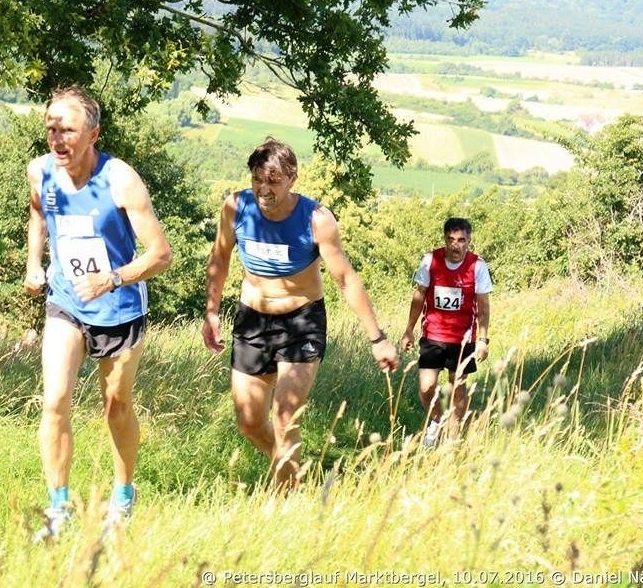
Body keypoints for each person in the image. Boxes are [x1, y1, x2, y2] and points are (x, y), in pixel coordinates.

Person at [201, 137, 399, 489]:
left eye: (273, 180)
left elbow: (345, 278)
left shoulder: (316, 219)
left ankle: (284, 497)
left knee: (284, 415)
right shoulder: (236, 207)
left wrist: (378, 338)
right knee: (248, 422)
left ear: (292, 177)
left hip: (301, 322)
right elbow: (219, 257)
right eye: (257, 179)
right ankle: (292, 473)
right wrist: (212, 311)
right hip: (252, 320)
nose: (264, 188)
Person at [24, 86, 172, 540]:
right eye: (51, 129)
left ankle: (123, 497)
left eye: (67, 130)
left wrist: (112, 279)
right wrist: (34, 262)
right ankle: (59, 510)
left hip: (120, 307)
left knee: (115, 407)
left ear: (93, 134)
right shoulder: (40, 172)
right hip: (66, 302)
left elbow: (161, 254)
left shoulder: (120, 179)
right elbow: (39, 216)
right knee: (54, 402)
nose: (57, 138)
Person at [400, 217, 492, 447]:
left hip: (463, 338)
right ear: (445, 239)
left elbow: (483, 305)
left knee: (457, 385)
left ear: (468, 241)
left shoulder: (477, 266)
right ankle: (438, 420)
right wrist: (409, 329)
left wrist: (482, 339)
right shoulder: (431, 260)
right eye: (451, 239)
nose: (456, 245)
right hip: (433, 334)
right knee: (426, 386)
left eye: (461, 240)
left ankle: (453, 436)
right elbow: (419, 294)